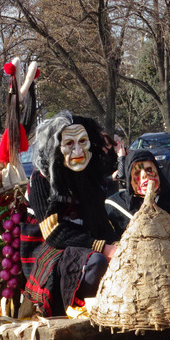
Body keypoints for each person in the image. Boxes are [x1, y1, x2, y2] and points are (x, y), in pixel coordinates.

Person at [22, 111, 119, 316]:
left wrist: (118, 245)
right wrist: (101, 248)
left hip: (82, 242)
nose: (77, 150)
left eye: (82, 141)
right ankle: (76, 310)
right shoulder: (41, 180)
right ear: (54, 148)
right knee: (96, 262)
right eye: (69, 144)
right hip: (48, 248)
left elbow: (99, 219)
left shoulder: (88, 175)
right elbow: (54, 234)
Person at [105, 148, 170, 265]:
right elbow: (107, 240)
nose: (144, 176)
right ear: (129, 177)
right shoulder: (115, 205)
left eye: (149, 170)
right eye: (137, 173)